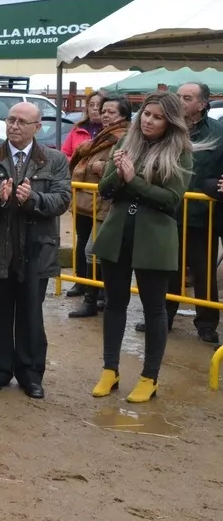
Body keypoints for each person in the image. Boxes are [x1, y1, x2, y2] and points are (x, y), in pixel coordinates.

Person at [91, 91, 196, 402]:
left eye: (157, 117)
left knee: (154, 309)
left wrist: (132, 179)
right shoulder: (127, 143)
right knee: (113, 303)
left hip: (155, 240)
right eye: (146, 114)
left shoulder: (181, 152)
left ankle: (149, 377)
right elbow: (105, 188)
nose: (149, 121)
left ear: (170, 122)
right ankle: (110, 369)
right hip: (117, 235)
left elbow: (171, 200)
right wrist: (119, 177)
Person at [0, 101, 71, 399]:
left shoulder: (55, 159)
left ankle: (31, 373)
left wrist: (34, 199)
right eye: (11, 120)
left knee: (30, 314)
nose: (14, 126)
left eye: (22, 122)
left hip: (36, 249)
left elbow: (63, 199)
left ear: (37, 127)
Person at [133, 82, 221, 345]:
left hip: (201, 215)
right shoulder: (165, 129)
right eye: (178, 96)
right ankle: (163, 318)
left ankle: (206, 323)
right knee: (167, 269)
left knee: (204, 273)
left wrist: (214, 184)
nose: (180, 101)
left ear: (202, 104)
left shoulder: (218, 133)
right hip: (165, 212)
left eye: (187, 97)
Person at [67, 93, 131, 318]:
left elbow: (124, 168)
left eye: (110, 112)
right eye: (103, 111)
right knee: (93, 250)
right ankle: (95, 299)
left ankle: (98, 299)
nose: (105, 115)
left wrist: (102, 168)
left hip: (110, 202)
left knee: (95, 251)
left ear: (123, 115)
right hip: (92, 200)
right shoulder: (99, 136)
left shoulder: (125, 137)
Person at [62, 91, 105, 299]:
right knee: (83, 237)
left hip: (103, 194)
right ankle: (81, 281)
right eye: (92, 104)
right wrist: (81, 165)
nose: (95, 109)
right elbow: (66, 153)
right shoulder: (78, 130)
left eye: (100, 105)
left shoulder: (111, 132)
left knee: (99, 241)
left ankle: (98, 285)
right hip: (81, 191)